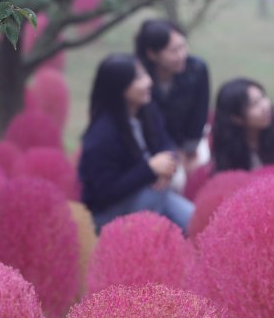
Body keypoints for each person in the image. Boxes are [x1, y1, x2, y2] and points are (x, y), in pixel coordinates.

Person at [78, 53, 194, 232]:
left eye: (145, 74)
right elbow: (105, 192)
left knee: (195, 221)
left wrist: (167, 166)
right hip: (109, 214)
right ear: (119, 87)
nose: (148, 81)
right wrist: (150, 169)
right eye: (138, 78)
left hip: (152, 197)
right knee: (156, 195)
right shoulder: (102, 136)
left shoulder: (147, 111)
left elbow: (167, 144)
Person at [135, 19, 209, 166]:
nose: (182, 55)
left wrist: (189, 149)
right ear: (152, 54)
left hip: (185, 139)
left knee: (200, 164)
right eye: (174, 51)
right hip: (149, 145)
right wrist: (170, 150)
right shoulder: (137, 77)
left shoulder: (196, 69)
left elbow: (199, 112)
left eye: (183, 47)